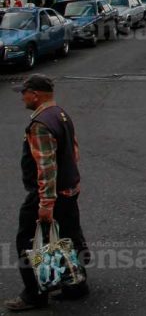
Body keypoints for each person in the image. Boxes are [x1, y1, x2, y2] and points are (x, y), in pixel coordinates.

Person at [5, 75, 89, 312]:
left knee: (27, 242)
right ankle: (76, 285)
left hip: (50, 194)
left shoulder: (41, 124)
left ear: (35, 94)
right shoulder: (60, 114)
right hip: (69, 189)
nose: (22, 97)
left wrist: (45, 203)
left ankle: (34, 293)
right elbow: (74, 151)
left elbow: (46, 166)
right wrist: (73, 183)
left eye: (24, 92)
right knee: (70, 235)